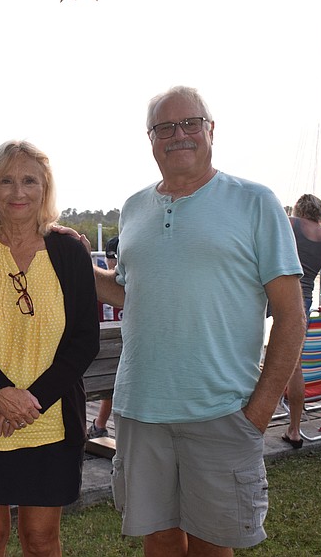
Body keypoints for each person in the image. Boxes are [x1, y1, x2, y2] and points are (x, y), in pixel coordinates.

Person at [90, 86, 306, 556]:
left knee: (214, 547)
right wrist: (76, 264)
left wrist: (259, 414)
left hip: (222, 412)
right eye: (164, 127)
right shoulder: (133, 208)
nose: (178, 135)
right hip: (141, 409)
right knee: (160, 542)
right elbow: (130, 293)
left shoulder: (255, 201)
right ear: (150, 139)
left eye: (190, 123)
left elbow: (291, 316)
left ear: (211, 130)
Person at [0, 140, 100, 556]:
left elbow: (84, 340)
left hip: (50, 420)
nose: (18, 192)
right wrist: (2, 394)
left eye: (30, 181)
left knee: (41, 541)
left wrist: (32, 401)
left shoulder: (69, 252)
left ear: (46, 189)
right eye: (5, 181)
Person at [281, 194, 321, 449]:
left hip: (271, 290)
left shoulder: (290, 223)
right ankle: (294, 430)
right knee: (295, 365)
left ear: (299, 209)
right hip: (301, 300)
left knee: (246, 350)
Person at [88, 235, 119, 440]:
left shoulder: (98, 290)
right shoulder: (143, 289)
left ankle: (99, 425)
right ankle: (100, 425)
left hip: (96, 374)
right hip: (120, 372)